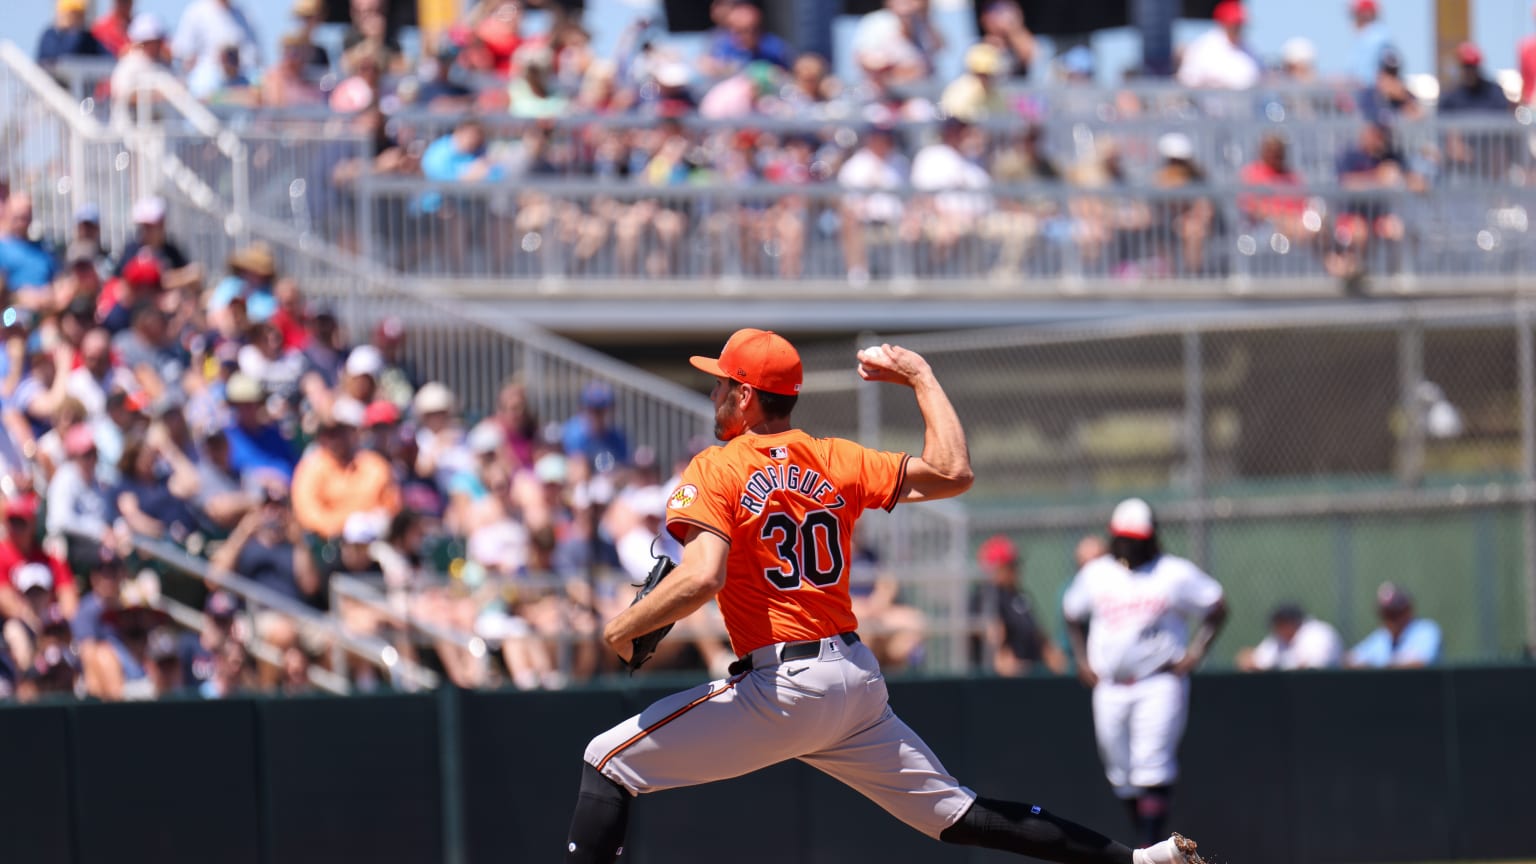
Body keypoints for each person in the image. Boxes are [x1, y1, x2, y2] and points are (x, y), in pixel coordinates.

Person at [564, 329, 1206, 864]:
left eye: (720, 382)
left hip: (785, 685)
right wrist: (922, 377)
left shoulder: (717, 465)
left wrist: (623, 626)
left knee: (606, 761)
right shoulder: (835, 457)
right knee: (956, 813)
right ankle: (1141, 860)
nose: (713, 393)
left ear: (744, 395)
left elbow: (702, 575)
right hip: (853, 683)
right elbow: (954, 472)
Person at [1063, 498, 1226, 848]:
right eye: (1124, 538)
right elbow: (1071, 612)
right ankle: (1148, 845)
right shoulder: (1098, 573)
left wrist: (1196, 651)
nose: (1129, 545)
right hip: (1109, 685)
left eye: (1136, 538)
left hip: (1159, 681)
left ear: (1150, 537)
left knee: (1152, 765)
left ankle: (1150, 847)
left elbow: (1217, 605)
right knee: (1121, 775)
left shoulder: (1173, 572)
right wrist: (1081, 658)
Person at [971, 535, 1067, 677]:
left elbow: (1036, 631)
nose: (1016, 569)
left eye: (1015, 564)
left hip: (1030, 670)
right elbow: (990, 632)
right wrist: (999, 654)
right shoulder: (985, 597)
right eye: (1010, 565)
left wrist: (1051, 652)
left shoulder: (1020, 595)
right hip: (1003, 679)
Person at [1347, 582, 1441, 668]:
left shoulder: (1426, 630)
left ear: (1408, 610)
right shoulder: (1382, 636)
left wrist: (1379, 665)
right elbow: (1350, 660)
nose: (1391, 621)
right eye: (1386, 615)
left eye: (1395, 614)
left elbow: (1420, 663)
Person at [1175, 1, 1258, 91]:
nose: (1237, 28)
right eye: (1234, 24)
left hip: (1243, 103)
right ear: (1223, 23)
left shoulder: (1249, 49)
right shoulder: (1203, 47)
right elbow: (1187, 79)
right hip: (1210, 102)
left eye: (1239, 25)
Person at [1237, 604, 1343, 671]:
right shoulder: (1279, 639)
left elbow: (1313, 667)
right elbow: (1249, 660)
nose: (1277, 629)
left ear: (1291, 622)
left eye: (1281, 624)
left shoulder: (1319, 633)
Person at [1438, 42, 1513, 114]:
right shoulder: (1451, 98)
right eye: (1466, 67)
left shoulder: (1495, 93)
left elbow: (1504, 118)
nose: (1470, 71)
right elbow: (1442, 121)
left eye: (1473, 67)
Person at [36, 0, 110, 67]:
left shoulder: (88, 38)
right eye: (72, 14)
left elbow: (108, 58)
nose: (76, 19)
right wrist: (74, 33)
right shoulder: (50, 36)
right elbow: (66, 56)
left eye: (79, 14)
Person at [1348, 0, 1394, 86]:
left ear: (1366, 14)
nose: (1353, 20)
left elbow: (1364, 77)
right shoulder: (1367, 38)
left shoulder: (1376, 39)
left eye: (1356, 14)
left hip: (1371, 93)